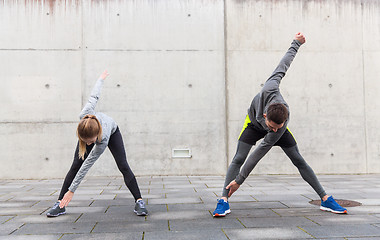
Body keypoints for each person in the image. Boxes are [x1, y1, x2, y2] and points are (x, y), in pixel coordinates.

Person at [213, 33, 347, 217]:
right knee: (238, 158)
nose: (274, 130)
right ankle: (223, 200)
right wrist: (296, 43)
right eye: (272, 126)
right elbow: (283, 65)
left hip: (272, 125)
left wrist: (239, 181)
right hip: (253, 124)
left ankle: (326, 199)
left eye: (278, 127)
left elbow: (260, 152)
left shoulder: (281, 125)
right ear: (266, 115)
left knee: (298, 160)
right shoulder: (270, 87)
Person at [46, 70, 148, 217]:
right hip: (92, 130)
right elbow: (94, 96)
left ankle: (139, 201)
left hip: (113, 132)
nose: (88, 144)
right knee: (75, 164)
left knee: (123, 165)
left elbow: (87, 166)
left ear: (96, 136)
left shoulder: (103, 138)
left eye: (90, 142)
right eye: (85, 141)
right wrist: (100, 79)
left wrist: (72, 190)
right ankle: (60, 204)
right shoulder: (84, 116)